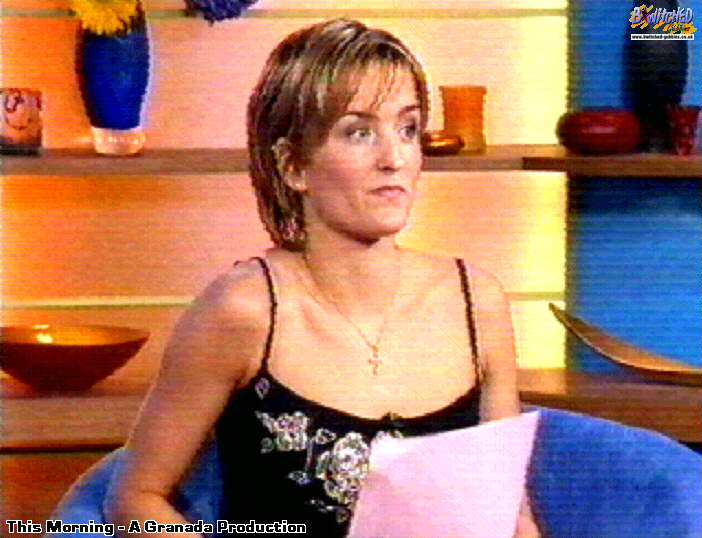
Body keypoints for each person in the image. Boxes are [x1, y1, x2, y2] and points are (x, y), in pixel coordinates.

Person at [105, 18, 540, 537]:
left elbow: (510, 516)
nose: (394, 158)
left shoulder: (478, 303)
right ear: (293, 165)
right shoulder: (241, 312)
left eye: (407, 129)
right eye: (359, 133)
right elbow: (135, 499)